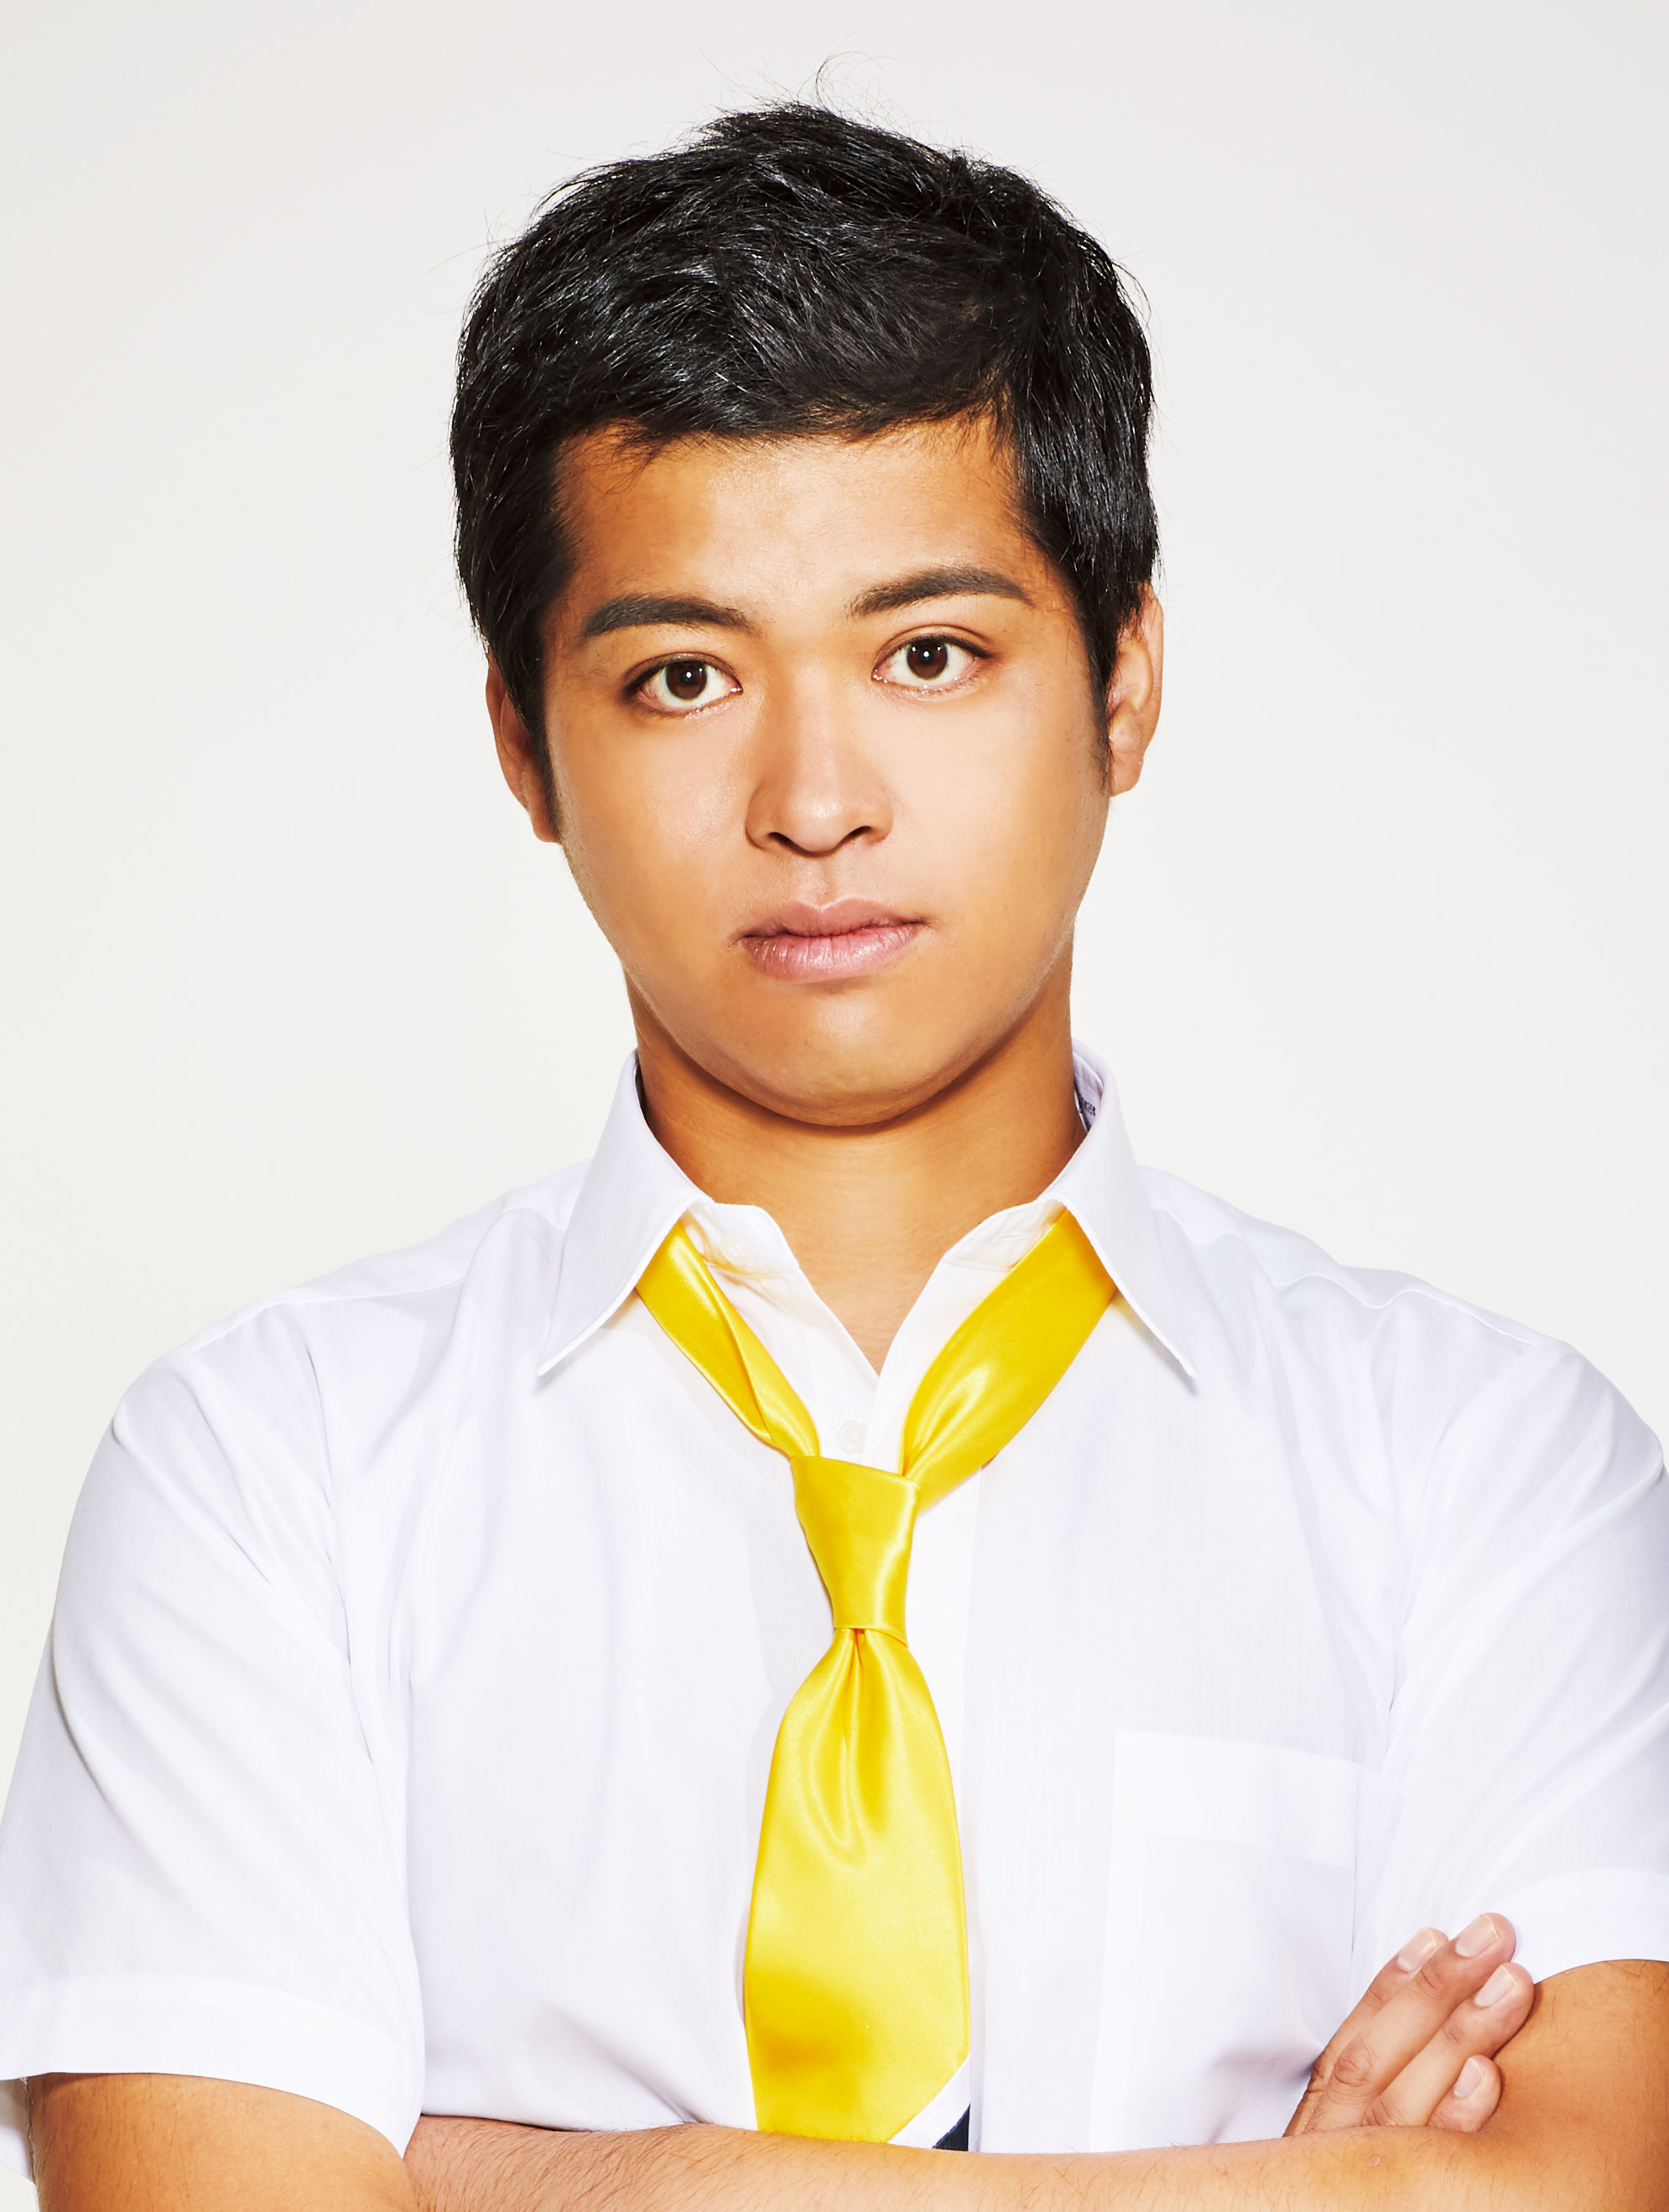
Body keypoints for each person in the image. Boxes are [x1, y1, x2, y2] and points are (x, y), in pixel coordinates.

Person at [3, 102, 1666, 2212]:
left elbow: (1566, 2188)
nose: (813, 799)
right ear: (524, 741)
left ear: (1123, 681)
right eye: (681, 674)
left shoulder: (1482, 1469)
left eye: (928, 654)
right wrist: (1282, 2189)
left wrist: (540, 2175)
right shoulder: (264, 1477)